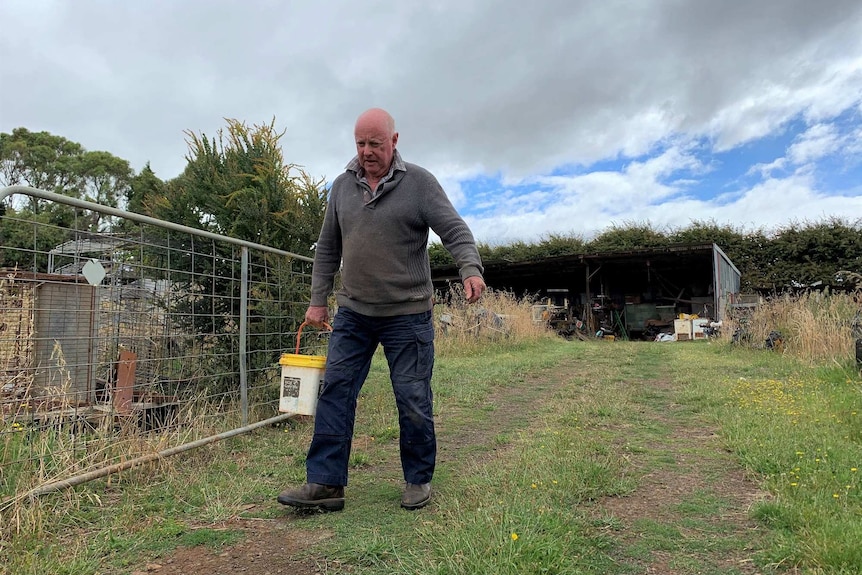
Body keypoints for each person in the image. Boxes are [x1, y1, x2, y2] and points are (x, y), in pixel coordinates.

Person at [277, 108, 486, 512]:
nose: (367, 152)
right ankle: (325, 484)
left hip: (407, 314)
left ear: (394, 140)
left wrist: (470, 269)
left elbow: (455, 230)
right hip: (354, 312)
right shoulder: (341, 187)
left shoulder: (420, 184)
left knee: (411, 396)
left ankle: (417, 479)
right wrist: (318, 300)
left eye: (375, 143)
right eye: (360, 143)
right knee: (336, 391)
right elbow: (327, 250)